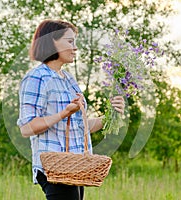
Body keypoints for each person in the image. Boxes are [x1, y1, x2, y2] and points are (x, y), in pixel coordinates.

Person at [17, 19, 125, 200]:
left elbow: (79, 127)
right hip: (55, 168)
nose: (75, 48)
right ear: (52, 42)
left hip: (75, 167)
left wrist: (111, 116)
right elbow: (27, 128)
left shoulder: (68, 79)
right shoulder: (37, 77)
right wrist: (64, 113)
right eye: (70, 41)